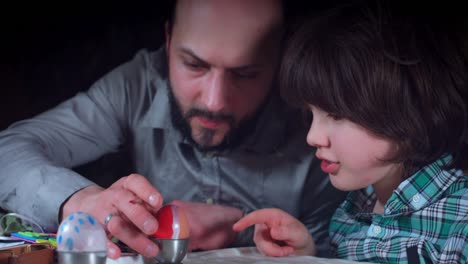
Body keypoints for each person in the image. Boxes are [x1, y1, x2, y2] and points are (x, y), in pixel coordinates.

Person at [0, 0, 346, 260]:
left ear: (280, 57)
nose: (214, 102)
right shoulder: (138, 85)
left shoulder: (316, 121)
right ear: (168, 41)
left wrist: (242, 230)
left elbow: (335, 252)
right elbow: (8, 150)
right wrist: (80, 199)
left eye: (245, 74)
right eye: (194, 65)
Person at [233, 1, 468, 263]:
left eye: (335, 114)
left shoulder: (461, 220)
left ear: (410, 109)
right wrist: (305, 256)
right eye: (311, 113)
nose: (312, 136)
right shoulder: (348, 215)